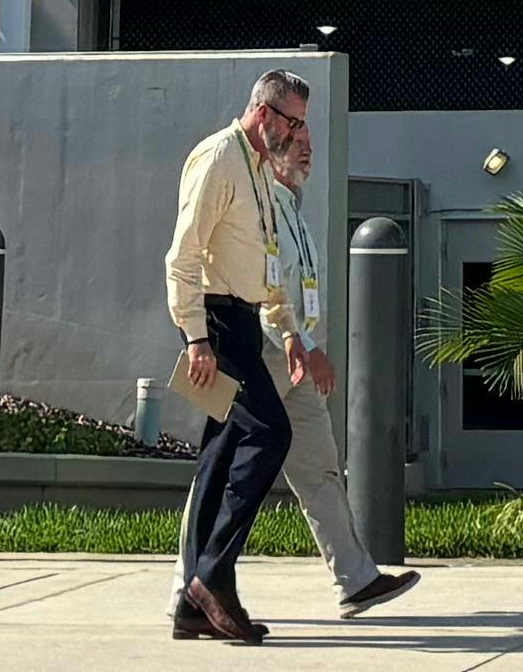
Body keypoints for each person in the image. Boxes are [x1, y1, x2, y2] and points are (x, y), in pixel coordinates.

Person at [160, 68, 415, 643]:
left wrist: (296, 337)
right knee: (268, 435)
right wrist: (196, 338)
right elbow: (182, 255)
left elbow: (268, 273)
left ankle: (194, 601)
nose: (301, 136)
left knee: (221, 457)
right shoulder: (220, 158)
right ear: (264, 112)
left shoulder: (257, 173)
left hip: (248, 323)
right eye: (294, 123)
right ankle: (208, 579)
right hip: (219, 325)